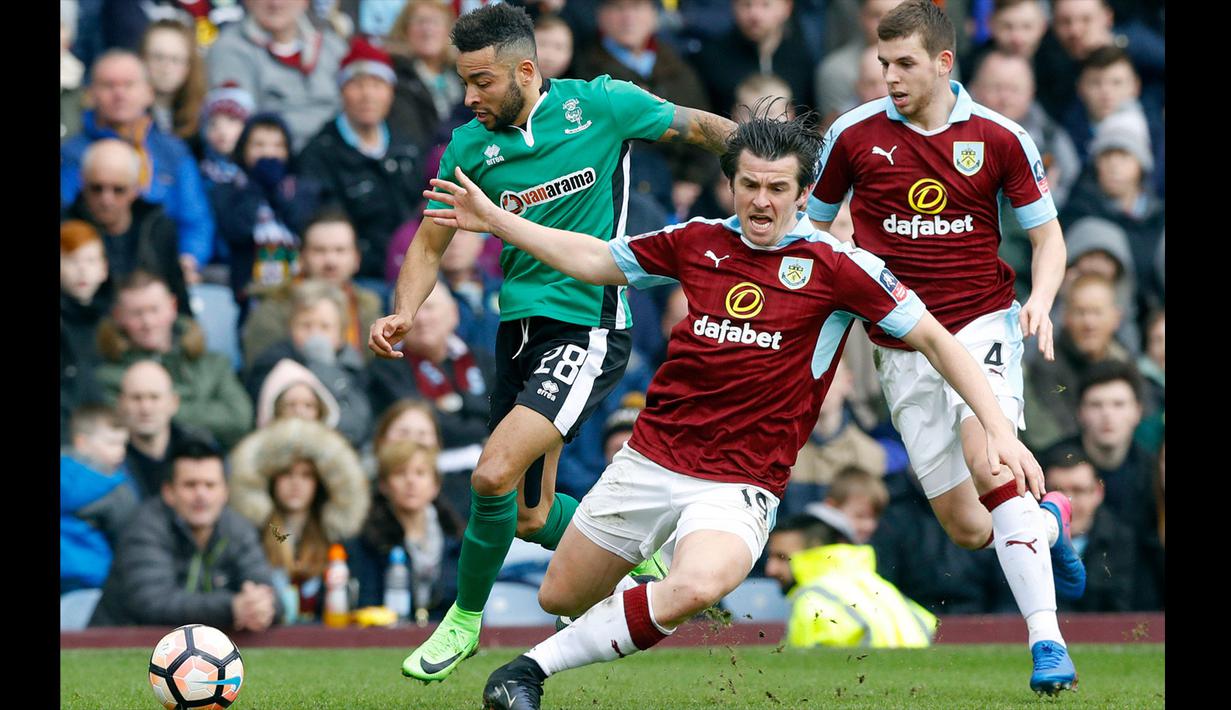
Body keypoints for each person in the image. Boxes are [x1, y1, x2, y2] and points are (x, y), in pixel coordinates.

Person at [420, 106, 1044, 708]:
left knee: (696, 585)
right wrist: (496, 220)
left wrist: (998, 430)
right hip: (650, 459)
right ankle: (645, 580)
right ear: (731, 185)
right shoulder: (696, 241)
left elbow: (937, 339)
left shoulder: (840, 267)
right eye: (749, 185)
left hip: (742, 481)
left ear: (804, 195)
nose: (761, 201)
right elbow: (594, 258)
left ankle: (524, 673)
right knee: (560, 596)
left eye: (778, 188)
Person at [367, 1, 737, 682]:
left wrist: (768, 160)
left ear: (525, 71)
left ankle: (463, 620)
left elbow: (698, 126)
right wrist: (403, 312)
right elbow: (428, 242)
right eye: (463, 81)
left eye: (481, 81)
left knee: (490, 473)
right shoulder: (468, 147)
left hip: (588, 324)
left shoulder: (602, 105)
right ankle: (649, 560)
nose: (469, 96)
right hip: (516, 332)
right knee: (530, 514)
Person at [806, 0, 1081, 693]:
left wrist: (1042, 300)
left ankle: (1047, 643)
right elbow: (810, 233)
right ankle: (1049, 523)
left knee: (991, 462)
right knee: (966, 527)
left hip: (981, 325)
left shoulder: (999, 136)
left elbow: (1047, 236)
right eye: (883, 63)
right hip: (901, 345)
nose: (890, 77)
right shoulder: (851, 135)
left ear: (942, 62)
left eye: (904, 64)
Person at [90, 437, 282, 630]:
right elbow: (153, 603)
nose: (201, 495)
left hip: (198, 644)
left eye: (210, 485)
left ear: (225, 492)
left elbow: (271, 596)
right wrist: (232, 607)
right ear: (169, 492)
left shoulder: (239, 528)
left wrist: (261, 607)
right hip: (118, 642)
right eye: (190, 485)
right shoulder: (144, 527)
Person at [61, 49, 216, 277]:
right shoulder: (71, 154)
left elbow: (196, 219)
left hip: (163, 266)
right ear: (90, 94)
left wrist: (189, 259)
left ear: (149, 92)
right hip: (91, 271)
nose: (119, 94)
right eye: (108, 85)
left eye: (129, 85)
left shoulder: (172, 152)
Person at [297, 37, 424, 284]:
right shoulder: (319, 153)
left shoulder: (407, 144)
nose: (368, 95)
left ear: (391, 92)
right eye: (357, 84)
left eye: (377, 84)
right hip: (354, 278)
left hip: (412, 269)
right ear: (342, 91)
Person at [229, 418, 370, 622]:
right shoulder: (253, 536)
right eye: (287, 474)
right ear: (272, 479)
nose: (296, 483)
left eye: (306, 476)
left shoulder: (334, 539)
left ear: (319, 483)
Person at [95, 270, 254, 450]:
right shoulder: (107, 376)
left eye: (154, 310)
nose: (148, 322)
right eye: (137, 314)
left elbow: (239, 419)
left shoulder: (213, 364)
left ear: (173, 306)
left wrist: (165, 409)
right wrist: (200, 408)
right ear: (118, 315)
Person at [764, 509, 936, 648]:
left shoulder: (812, 599)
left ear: (815, 549)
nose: (770, 569)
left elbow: (803, 672)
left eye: (782, 557)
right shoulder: (881, 587)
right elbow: (926, 625)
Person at [241, 210, 384, 367]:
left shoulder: (367, 307)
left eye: (340, 250)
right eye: (319, 251)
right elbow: (261, 370)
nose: (330, 261)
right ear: (301, 258)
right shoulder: (273, 308)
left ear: (356, 259)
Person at [211, 112, 321, 316]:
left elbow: (304, 226)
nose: (268, 153)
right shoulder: (229, 188)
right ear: (243, 148)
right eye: (259, 145)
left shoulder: (300, 188)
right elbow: (237, 230)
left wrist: (276, 190)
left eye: (277, 146)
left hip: (300, 289)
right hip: (251, 291)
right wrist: (255, 187)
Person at [63, 139, 191, 314]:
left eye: (118, 189)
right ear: (83, 183)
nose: (106, 200)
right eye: (97, 188)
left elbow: (178, 295)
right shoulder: (65, 228)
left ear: (135, 189)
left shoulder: (159, 228)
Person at [346, 440, 465, 622]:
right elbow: (365, 605)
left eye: (420, 473)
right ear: (384, 485)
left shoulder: (456, 538)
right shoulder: (367, 540)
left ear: (435, 485)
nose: (411, 481)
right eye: (400, 473)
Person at [206, 0, 348, 151]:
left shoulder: (332, 46)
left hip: (338, 155)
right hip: (273, 157)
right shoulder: (229, 49)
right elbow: (235, 129)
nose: (276, 3)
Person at [245, 279, 373, 447]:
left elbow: (358, 426)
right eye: (306, 326)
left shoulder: (354, 366)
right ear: (290, 328)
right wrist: (319, 363)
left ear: (341, 333)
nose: (315, 335)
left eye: (325, 327)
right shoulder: (272, 363)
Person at [61, 405, 139, 595]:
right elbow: (129, 537)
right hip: (94, 581)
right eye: (112, 443)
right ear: (82, 442)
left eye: (123, 444)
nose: (120, 451)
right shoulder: (114, 488)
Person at [61, 221, 113, 437]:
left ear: (104, 268)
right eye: (72, 260)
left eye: (91, 260)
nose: (82, 270)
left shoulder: (118, 319)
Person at [140, 18, 206, 143]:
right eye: (158, 57)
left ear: (189, 66)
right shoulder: (126, 114)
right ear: (142, 59)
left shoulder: (203, 119)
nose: (166, 67)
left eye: (175, 60)